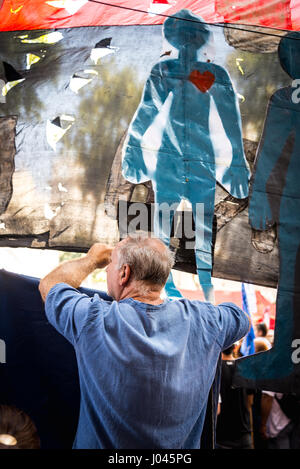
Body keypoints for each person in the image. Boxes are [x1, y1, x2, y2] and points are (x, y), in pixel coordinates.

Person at [39, 235, 250, 449]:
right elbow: (241, 318)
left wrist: (92, 259)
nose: (106, 270)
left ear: (124, 273)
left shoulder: (93, 318)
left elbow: (49, 285)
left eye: (110, 264)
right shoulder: (205, 320)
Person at [216, 344, 253, 449]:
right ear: (235, 348)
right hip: (243, 434)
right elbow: (249, 403)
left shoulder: (214, 370)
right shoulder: (245, 368)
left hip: (221, 435)